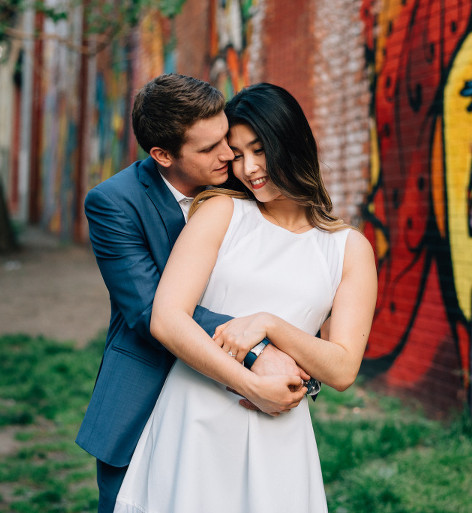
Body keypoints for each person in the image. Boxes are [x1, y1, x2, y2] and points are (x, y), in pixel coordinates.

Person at [113, 83, 378, 512]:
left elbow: (343, 368)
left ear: (291, 142)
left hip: (279, 435)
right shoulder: (222, 212)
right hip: (194, 421)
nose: (250, 168)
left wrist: (270, 324)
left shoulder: (348, 249)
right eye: (237, 154)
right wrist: (253, 384)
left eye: (260, 149)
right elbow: (166, 318)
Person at [75, 74, 310, 513]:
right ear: (163, 155)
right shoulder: (114, 203)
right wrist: (258, 346)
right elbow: (149, 311)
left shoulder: (243, 182)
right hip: (144, 396)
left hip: (232, 412)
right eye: (209, 149)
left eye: (226, 137)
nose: (229, 155)